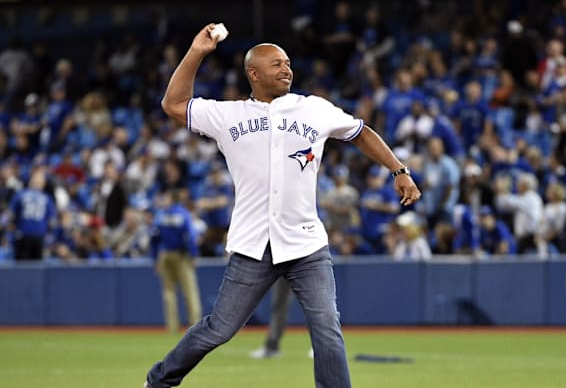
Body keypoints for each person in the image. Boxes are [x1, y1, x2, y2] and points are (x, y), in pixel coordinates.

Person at [144, 23, 421, 388]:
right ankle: (159, 381)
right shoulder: (230, 115)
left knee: (326, 328)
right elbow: (174, 104)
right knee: (219, 329)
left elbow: (360, 132)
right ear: (253, 73)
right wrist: (197, 52)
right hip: (253, 244)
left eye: (288, 62)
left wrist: (397, 169)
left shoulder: (314, 109)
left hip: (305, 242)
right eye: (276, 64)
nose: (286, 68)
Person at [151, 188, 202, 334]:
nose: (163, 200)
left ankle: (172, 327)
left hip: (166, 255)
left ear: (172, 199)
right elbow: (190, 236)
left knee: (169, 292)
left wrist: (155, 258)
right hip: (181, 256)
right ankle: (194, 326)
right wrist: (194, 255)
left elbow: (154, 238)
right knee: (190, 291)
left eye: (166, 198)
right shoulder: (183, 214)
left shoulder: (161, 215)